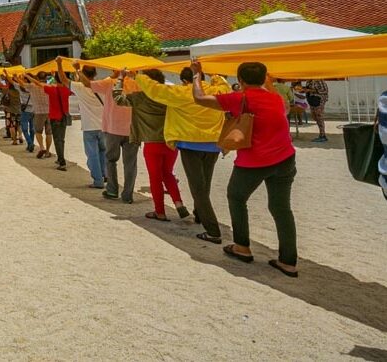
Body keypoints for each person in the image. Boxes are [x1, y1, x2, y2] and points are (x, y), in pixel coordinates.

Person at [192, 61, 298, 277]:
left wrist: (196, 75)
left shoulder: (239, 98)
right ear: (264, 78)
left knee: (236, 197)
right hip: (285, 158)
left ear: (240, 80)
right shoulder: (276, 98)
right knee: (281, 209)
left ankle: (242, 246)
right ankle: (288, 261)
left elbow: (200, 98)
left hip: (254, 161)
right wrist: (268, 80)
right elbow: (281, 104)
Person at [132, 67, 229, 243]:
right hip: (214, 144)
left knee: (197, 187)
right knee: (205, 183)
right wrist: (214, 75)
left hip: (190, 144)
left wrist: (137, 75)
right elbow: (224, 84)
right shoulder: (217, 91)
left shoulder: (181, 93)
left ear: (184, 81)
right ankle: (199, 214)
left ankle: (213, 230)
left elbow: (154, 88)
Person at [114, 69, 190, 222]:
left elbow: (117, 98)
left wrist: (120, 79)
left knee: (155, 178)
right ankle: (178, 203)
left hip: (152, 144)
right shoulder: (169, 95)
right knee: (168, 173)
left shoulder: (140, 97)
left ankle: (160, 212)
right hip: (170, 142)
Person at [85, 71, 136, 203]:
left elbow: (87, 83)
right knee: (130, 164)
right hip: (132, 130)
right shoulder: (137, 84)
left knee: (111, 160)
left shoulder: (109, 83)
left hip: (113, 128)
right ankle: (127, 196)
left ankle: (112, 190)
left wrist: (77, 70)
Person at [56, 59, 106, 188]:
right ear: (95, 74)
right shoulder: (102, 85)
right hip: (104, 126)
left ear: (82, 73)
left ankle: (98, 181)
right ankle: (105, 175)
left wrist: (59, 64)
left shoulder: (79, 87)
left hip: (89, 127)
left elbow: (63, 80)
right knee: (103, 152)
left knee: (93, 155)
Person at [27, 73, 71, 169]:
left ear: (55, 79)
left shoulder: (51, 89)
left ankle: (62, 162)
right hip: (64, 117)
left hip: (55, 117)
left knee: (57, 140)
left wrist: (27, 76)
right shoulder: (67, 89)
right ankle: (59, 158)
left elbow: (38, 83)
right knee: (61, 139)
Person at [24, 74, 51, 157]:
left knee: (38, 132)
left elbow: (21, 84)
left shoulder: (32, 86)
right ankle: (47, 152)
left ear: (37, 78)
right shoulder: (49, 86)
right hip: (49, 112)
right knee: (49, 133)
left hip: (38, 112)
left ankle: (42, 147)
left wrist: (18, 77)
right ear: (46, 78)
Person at [0, 76, 21, 144]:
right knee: (18, 125)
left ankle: (14, 140)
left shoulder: (7, 91)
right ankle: (20, 136)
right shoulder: (19, 91)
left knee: (12, 126)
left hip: (10, 110)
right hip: (19, 110)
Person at [17, 76, 35, 151]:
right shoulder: (33, 88)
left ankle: (30, 143)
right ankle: (30, 144)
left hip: (25, 111)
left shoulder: (20, 88)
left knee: (24, 129)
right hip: (33, 110)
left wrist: (16, 77)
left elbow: (12, 82)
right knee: (32, 129)